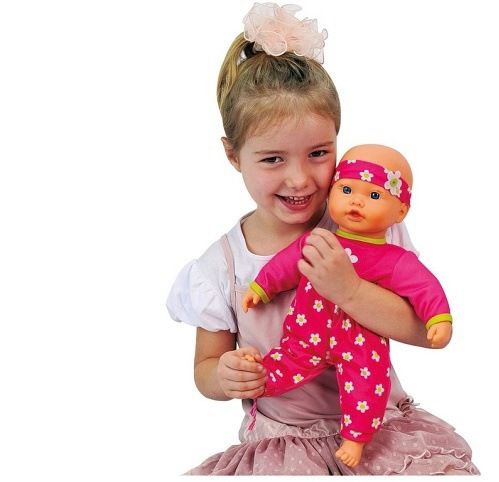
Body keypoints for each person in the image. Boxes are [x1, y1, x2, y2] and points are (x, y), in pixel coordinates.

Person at [166, 3, 479, 475]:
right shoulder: (222, 266)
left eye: (318, 153)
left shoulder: (370, 230)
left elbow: (424, 330)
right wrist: (224, 376)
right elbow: (205, 367)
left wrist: (349, 291)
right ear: (233, 155)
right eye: (273, 159)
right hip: (285, 443)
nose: (299, 179)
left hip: (379, 429)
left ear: (337, 140)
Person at [241, 144, 454, 467]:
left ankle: (356, 438)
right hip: (308, 334)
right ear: (331, 193)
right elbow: (288, 264)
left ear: (400, 212)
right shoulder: (320, 240)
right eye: (347, 189)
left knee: (367, 385)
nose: (356, 201)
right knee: (283, 362)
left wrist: (439, 318)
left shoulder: (394, 259)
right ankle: (257, 376)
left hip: (360, 343)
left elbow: (424, 286)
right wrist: (262, 286)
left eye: (374, 195)